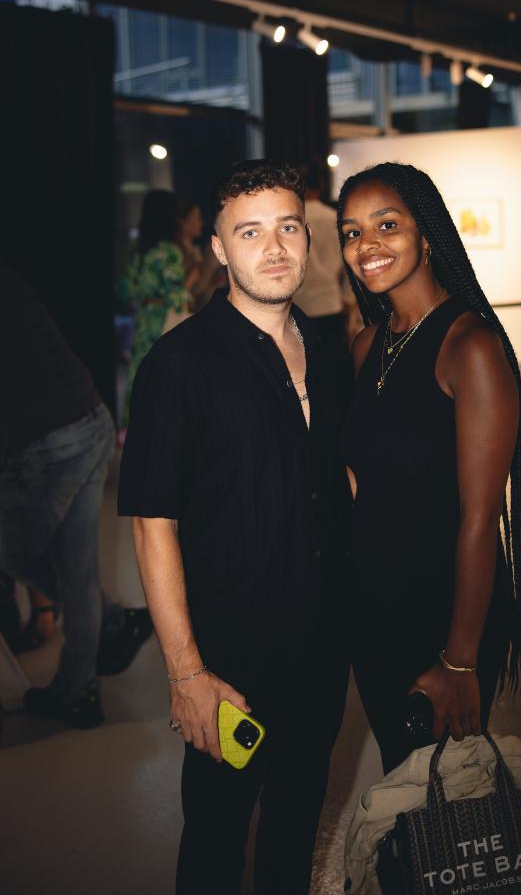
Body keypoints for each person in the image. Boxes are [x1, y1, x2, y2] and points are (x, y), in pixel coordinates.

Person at [118, 160, 353, 894]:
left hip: (321, 650)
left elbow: (335, 484)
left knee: (294, 830)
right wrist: (186, 674)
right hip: (230, 664)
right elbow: (152, 526)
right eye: (249, 233)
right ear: (218, 249)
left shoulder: (328, 352)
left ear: (308, 237)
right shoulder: (178, 365)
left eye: (288, 228)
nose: (274, 248)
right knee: (216, 845)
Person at [338, 162, 521, 774]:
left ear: (426, 236)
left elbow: (479, 519)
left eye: (386, 225)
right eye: (351, 233)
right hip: (374, 606)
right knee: (402, 779)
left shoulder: (469, 347)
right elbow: (362, 481)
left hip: (444, 611)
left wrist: (459, 659)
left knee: (447, 794)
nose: (366, 245)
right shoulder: (367, 345)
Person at [0, 265, 153, 728]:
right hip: (88, 420)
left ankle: (108, 634)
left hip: (48, 442)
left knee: (16, 555)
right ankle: (79, 688)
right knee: (76, 567)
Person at [119, 190, 194, 426]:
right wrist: (191, 280)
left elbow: (126, 291)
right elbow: (176, 297)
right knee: (168, 382)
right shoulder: (169, 251)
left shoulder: (139, 251)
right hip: (164, 321)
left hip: (144, 321)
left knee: (141, 375)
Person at [295, 161, 360, 343]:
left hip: (298, 303)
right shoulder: (335, 219)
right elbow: (350, 263)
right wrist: (349, 298)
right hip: (330, 301)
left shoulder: (292, 221)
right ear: (321, 185)